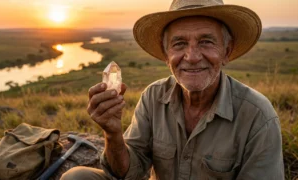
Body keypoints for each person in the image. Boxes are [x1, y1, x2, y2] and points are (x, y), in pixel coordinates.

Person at [61, 0, 285, 179]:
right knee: (77, 176)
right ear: (166, 55)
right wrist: (112, 133)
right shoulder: (153, 97)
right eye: (179, 44)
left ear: (227, 52)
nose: (192, 57)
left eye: (206, 42)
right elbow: (128, 172)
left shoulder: (258, 116)